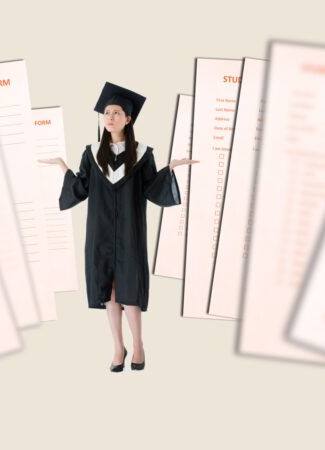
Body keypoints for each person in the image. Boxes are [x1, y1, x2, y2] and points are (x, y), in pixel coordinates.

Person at [38, 82, 197, 372]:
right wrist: (63, 166)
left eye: (116, 112)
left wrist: (169, 169)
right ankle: (117, 347)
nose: (109, 117)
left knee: (130, 291)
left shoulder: (143, 154)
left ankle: (138, 345)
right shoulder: (91, 154)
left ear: (128, 119)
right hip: (99, 231)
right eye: (106, 113)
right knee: (108, 292)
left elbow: (151, 189)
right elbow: (82, 188)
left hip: (130, 232)